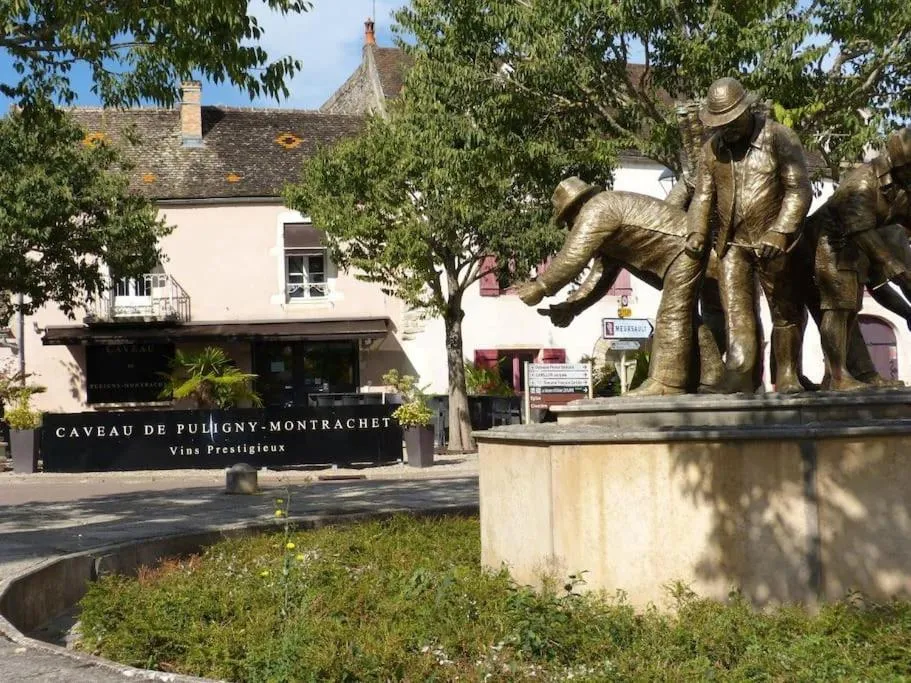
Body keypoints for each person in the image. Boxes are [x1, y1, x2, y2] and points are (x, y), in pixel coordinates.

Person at [514, 177, 719, 395]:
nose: (570, 227)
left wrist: (542, 285)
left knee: (673, 314)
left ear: (577, 206)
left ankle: (667, 382)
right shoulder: (611, 226)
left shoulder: (598, 208)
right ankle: (713, 375)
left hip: (685, 250)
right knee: (687, 317)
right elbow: (601, 275)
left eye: (567, 219)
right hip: (686, 251)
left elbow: (574, 255)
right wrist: (571, 306)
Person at [687, 77, 813, 394]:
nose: (725, 129)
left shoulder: (778, 137)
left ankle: (786, 375)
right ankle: (740, 374)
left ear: (746, 110)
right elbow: (703, 196)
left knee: (785, 312)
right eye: (719, 124)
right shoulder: (711, 150)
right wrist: (697, 231)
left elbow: (799, 190)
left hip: (775, 243)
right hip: (732, 245)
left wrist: (781, 232)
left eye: (730, 122)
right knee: (737, 314)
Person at [799, 128, 911, 389]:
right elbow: (860, 229)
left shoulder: (902, 189)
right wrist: (891, 263)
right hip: (828, 242)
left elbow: (882, 289)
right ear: (899, 164)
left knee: (851, 310)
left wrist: (907, 311)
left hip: (860, 245)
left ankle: (861, 373)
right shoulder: (862, 183)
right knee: (839, 308)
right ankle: (837, 377)